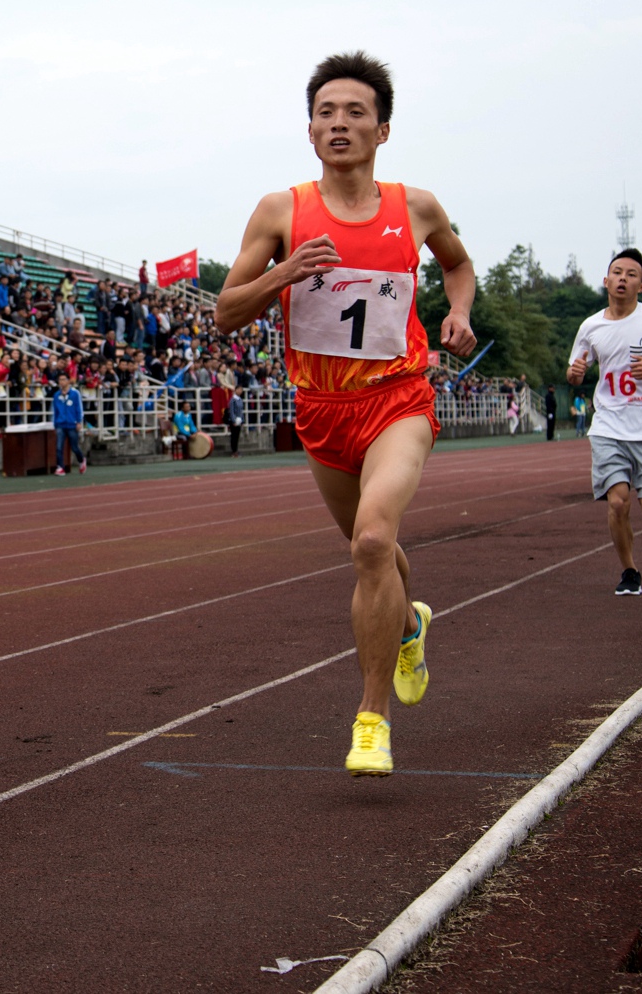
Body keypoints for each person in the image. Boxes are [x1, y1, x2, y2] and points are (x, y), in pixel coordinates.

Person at [213, 51, 477, 778]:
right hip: (322, 409)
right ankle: (408, 622)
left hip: (398, 398)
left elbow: (457, 264)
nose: (338, 123)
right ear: (309, 130)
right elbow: (225, 313)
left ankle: (371, 719)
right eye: (325, 112)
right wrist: (285, 272)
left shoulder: (415, 207)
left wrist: (458, 313)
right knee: (374, 552)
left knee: (371, 540)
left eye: (355, 112)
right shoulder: (280, 211)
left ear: (381, 130)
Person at [566, 248, 642, 599]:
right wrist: (576, 373)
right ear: (606, 281)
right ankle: (629, 571)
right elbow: (574, 374)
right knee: (618, 503)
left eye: (631, 274)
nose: (623, 278)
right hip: (608, 426)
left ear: (641, 286)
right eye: (617, 272)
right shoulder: (591, 326)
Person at [52, 372, 86, 475]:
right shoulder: (56, 395)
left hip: (72, 423)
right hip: (60, 424)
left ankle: (81, 460)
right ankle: (60, 467)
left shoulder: (75, 393)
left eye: (64, 379)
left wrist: (79, 421)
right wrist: (55, 423)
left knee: (74, 447)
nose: (62, 382)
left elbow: (79, 408)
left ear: (68, 381)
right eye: (60, 380)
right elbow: (55, 411)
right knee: (59, 447)